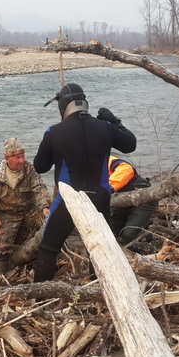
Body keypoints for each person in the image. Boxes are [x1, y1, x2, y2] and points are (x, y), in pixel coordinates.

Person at [33, 83, 137, 282]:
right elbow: (130, 144)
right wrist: (115, 121)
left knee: (48, 249)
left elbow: (40, 167)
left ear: (63, 106)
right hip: (100, 198)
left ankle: (40, 299)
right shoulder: (106, 127)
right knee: (98, 251)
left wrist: (56, 150)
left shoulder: (53, 132)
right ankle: (97, 296)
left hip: (68, 201)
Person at [0, 138, 51, 274]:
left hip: (30, 210)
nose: (21, 160)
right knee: (2, 244)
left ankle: (41, 264)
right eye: (17, 157)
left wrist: (44, 207)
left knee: (47, 226)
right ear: (7, 158)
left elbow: (39, 188)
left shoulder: (29, 169)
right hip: (8, 213)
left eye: (22, 156)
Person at [106, 155, 157, 245]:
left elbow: (126, 169)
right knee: (112, 233)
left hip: (142, 197)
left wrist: (109, 188)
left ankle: (148, 235)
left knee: (129, 235)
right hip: (121, 202)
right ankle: (140, 222)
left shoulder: (106, 160)